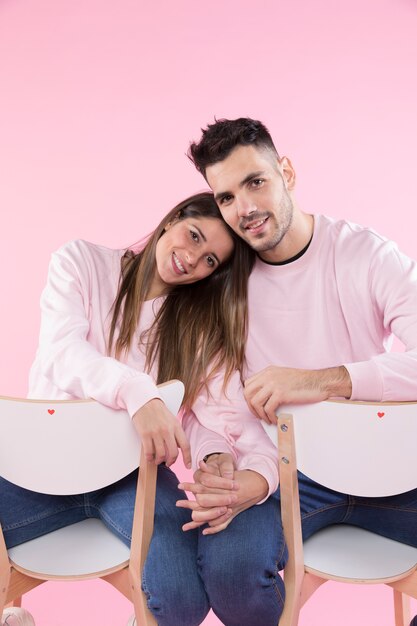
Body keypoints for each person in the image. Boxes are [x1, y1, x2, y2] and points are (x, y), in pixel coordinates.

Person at [176, 118, 417, 626]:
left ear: (286, 171)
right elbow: (201, 402)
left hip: (391, 470)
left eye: (255, 182)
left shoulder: (363, 253)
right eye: (225, 197)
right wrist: (216, 454)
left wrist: (317, 381)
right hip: (288, 476)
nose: (244, 209)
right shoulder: (222, 282)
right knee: (229, 567)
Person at [0, 191, 255, 626]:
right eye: (193, 236)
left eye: (211, 260)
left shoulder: (193, 325)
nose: (192, 259)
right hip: (35, 473)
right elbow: (61, 352)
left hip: (129, 480)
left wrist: (215, 454)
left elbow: (196, 416)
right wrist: (139, 393)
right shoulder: (81, 262)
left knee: (181, 602)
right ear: (173, 218)